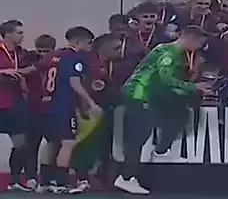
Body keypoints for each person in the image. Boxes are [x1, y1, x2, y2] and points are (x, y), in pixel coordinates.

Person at [114, 25, 210, 195]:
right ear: (191, 38)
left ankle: (160, 152)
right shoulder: (169, 54)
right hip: (139, 94)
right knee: (138, 137)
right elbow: (166, 79)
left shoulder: (166, 49)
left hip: (146, 94)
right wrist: (193, 87)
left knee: (159, 124)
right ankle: (126, 178)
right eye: (199, 44)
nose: (199, 48)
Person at [37, 26, 100, 192]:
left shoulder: (53, 56)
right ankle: (61, 183)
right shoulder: (74, 58)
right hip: (63, 106)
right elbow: (74, 82)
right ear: (79, 42)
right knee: (68, 143)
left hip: (47, 105)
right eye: (88, 43)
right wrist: (91, 103)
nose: (90, 46)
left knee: (51, 142)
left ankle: (44, 182)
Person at [69, 33, 124, 194]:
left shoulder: (111, 64)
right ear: (104, 48)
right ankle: (81, 179)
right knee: (87, 144)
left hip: (105, 109)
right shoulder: (90, 65)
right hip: (89, 110)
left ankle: (101, 176)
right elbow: (84, 87)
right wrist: (86, 109)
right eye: (116, 48)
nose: (120, 51)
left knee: (103, 144)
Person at [23, 34, 57, 190]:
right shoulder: (29, 61)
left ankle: (48, 178)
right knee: (31, 145)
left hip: (51, 111)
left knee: (53, 144)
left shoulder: (57, 63)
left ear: (53, 49)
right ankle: (31, 177)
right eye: (40, 51)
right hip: (33, 109)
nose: (43, 54)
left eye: (46, 51)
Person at [0, 20, 30, 191]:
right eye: (19, 33)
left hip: (15, 103)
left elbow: (33, 67)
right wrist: (3, 72)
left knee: (21, 143)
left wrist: (22, 73)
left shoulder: (22, 53)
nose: (22, 36)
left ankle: (15, 181)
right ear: (8, 34)